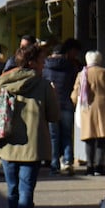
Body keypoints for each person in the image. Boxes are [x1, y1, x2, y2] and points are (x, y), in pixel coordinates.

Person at [0, 41, 62, 208]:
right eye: (42, 60)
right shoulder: (43, 85)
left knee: (12, 190)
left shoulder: (2, 82)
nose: (44, 64)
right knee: (26, 191)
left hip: (7, 143)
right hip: (32, 145)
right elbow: (54, 116)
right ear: (32, 62)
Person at [75, 51, 105, 175]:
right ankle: (100, 166)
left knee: (89, 138)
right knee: (102, 138)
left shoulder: (82, 74)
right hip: (103, 108)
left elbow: (75, 95)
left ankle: (89, 166)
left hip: (87, 109)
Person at [42, 38, 84, 175]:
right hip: (67, 104)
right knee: (67, 135)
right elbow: (75, 85)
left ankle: (54, 164)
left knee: (54, 137)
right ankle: (67, 162)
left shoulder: (45, 67)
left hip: (51, 105)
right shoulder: (71, 67)